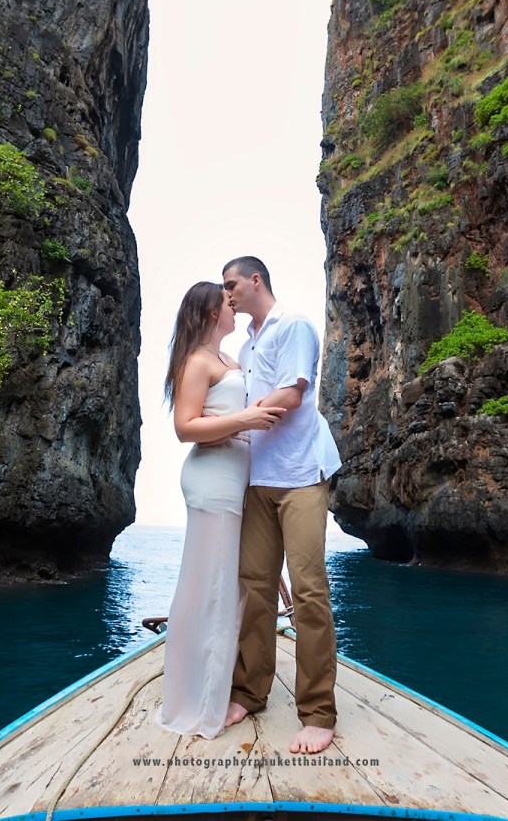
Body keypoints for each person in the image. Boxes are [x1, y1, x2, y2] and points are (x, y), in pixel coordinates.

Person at [220, 255, 342, 754]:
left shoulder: (293, 326)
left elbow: (292, 394)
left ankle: (318, 712)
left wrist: (240, 419)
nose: (226, 294)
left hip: (300, 477)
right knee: (254, 588)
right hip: (258, 479)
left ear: (255, 280)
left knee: (309, 591)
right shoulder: (247, 345)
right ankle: (250, 692)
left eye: (231, 285)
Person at [157, 280, 286, 738]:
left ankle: (219, 685)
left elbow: (217, 421)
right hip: (212, 482)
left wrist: (236, 422)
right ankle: (196, 701)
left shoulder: (229, 360)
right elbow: (185, 428)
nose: (234, 308)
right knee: (208, 588)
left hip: (235, 481)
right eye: (228, 303)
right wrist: (245, 420)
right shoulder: (197, 360)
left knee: (225, 587)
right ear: (212, 313)